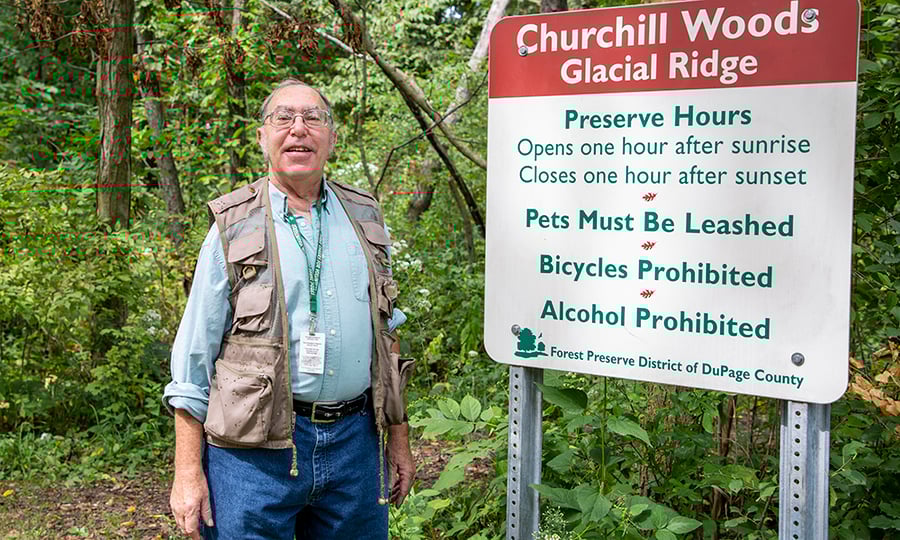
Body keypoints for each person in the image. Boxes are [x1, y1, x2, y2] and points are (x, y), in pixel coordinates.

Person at [163, 79, 415, 539]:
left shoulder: (367, 218)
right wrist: (187, 473)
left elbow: (388, 335)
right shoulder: (233, 226)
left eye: (313, 118)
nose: (298, 129)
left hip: (356, 445)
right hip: (253, 455)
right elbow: (193, 361)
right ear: (262, 137)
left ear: (332, 137)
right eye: (283, 118)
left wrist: (397, 439)